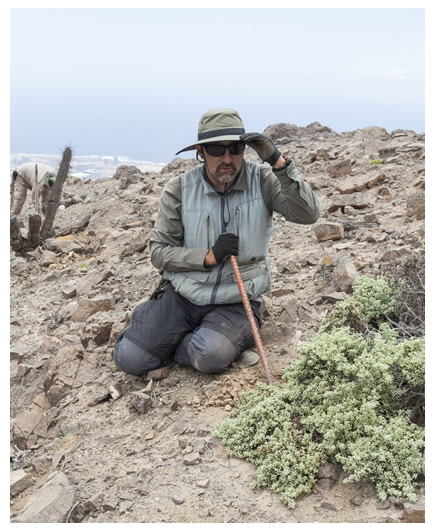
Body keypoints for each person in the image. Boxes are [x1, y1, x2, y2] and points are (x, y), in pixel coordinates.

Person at [113, 108, 320, 377]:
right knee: (130, 358)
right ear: (200, 152)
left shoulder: (262, 180)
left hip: (238, 299)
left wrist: (278, 162)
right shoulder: (180, 189)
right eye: (216, 150)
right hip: (184, 294)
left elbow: (307, 214)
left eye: (235, 148)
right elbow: (159, 253)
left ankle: (185, 343)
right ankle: (169, 329)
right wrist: (208, 257)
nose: (227, 158)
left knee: (210, 354)